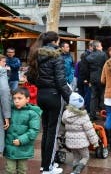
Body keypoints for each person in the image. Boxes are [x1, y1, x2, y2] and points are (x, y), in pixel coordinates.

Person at [27, 31, 72, 174]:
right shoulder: (56, 55)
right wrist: (71, 98)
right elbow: (61, 81)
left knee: (46, 131)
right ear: (55, 41)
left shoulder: (35, 54)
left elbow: (30, 77)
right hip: (54, 96)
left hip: (41, 95)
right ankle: (48, 167)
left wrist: (42, 84)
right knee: (52, 132)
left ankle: (44, 165)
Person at [4, 87, 41, 174]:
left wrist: (21, 140)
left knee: (22, 170)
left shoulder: (32, 114)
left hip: (24, 148)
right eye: (14, 98)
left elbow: (34, 130)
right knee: (9, 170)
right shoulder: (9, 111)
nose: (16, 101)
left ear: (27, 99)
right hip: (10, 147)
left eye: (20, 98)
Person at [62, 92, 99, 174]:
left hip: (70, 141)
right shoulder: (83, 116)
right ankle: (77, 170)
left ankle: (74, 171)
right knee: (85, 157)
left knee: (76, 157)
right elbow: (90, 131)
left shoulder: (66, 114)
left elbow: (63, 123)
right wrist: (95, 142)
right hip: (81, 142)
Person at [85, 40, 108, 120]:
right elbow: (107, 67)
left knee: (93, 97)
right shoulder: (103, 55)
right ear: (97, 47)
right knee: (103, 96)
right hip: (102, 78)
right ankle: (104, 115)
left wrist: (88, 80)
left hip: (93, 78)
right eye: (101, 46)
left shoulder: (88, 57)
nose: (102, 47)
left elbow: (86, 70)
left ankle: (92, 115)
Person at [0, 54, 11, 157]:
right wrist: (7, 116)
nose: (5, 65)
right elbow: (4, 94)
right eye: (4, 62)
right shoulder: (2, 73)